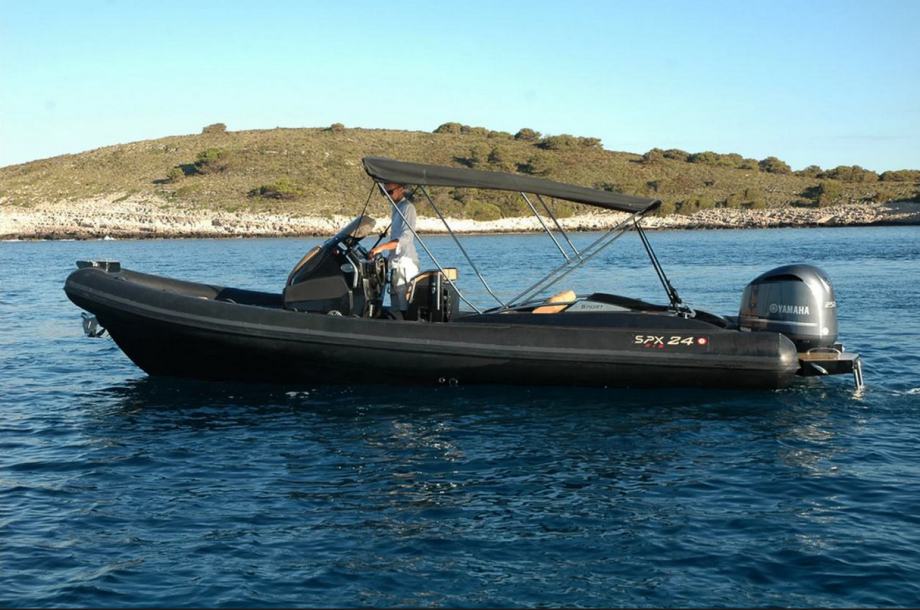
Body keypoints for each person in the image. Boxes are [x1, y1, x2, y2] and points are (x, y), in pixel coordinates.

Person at [368, 182, 419, 315]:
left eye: (390, 192)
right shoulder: (396, 208)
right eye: (385, 193)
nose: (388, 196)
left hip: (405, 265)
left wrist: (380, 248)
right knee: (395, 306)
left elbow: (406, 238)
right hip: (395, 264)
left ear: (401, 189)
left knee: (403, 307)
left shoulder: (408, 208)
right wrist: (386, 257)